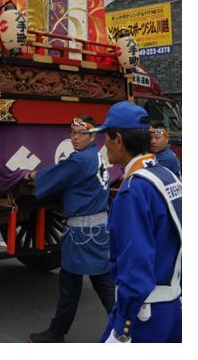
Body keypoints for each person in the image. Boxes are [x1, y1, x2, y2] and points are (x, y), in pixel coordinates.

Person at [91, 101, 181, 343]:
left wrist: (122, 327)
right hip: (174, 305)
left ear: (118, 139)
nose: (104, 144)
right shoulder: (166, 175)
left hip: (145, 314)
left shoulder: (134, 189)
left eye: (106, 137)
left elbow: (135, 267)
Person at [25, 116, 114, 343]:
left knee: (101, 285)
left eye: (81, 133)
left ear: (93, 136)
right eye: (72, 132)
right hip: (96, 230)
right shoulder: (94, 155)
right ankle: (58, 331)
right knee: (76, 284)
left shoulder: (79, 160)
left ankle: (127, 328)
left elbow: (57, 174)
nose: (75, 137)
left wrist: (31, 175)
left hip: (84, 234)